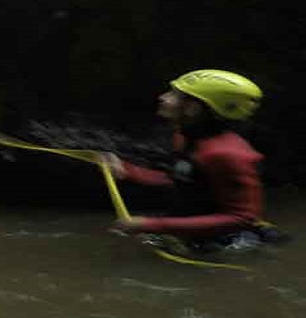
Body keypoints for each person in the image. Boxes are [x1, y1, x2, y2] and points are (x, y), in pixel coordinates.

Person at [101, 69, 285, 252]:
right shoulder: (186, 138)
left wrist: (153, 225)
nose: (162, 97)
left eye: (174, 95)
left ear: (193, 108)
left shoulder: (227, 155)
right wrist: (126, 170)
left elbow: (242, 218)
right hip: (193, 234)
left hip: (229, 244)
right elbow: (183, 179)